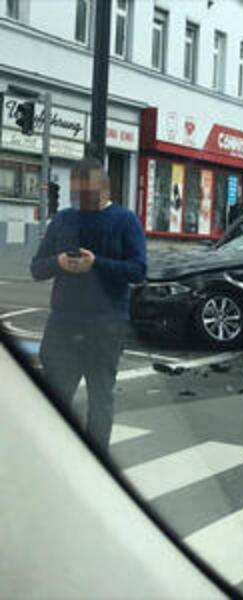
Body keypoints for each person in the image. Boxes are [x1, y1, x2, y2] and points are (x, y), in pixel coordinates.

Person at [30, 156, 147, 453]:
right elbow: (37, 268)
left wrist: (97, 264)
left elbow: (138, 270)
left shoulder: (125, 221)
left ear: (106, 189)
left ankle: (95, 458)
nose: (82, 200)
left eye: (89, 193)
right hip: (63, 324)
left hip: (105, 326)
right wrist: (58, 262)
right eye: (77, 193)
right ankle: (53, 456)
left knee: (100, 398)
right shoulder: (63, 219)